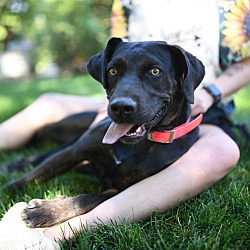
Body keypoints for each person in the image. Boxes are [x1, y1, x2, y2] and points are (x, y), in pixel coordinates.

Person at [0, 0, 249, 249]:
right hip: (120, 101)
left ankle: (64, 231)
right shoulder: (128, 2)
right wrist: (109, 99)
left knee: (221, 152)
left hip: (202, 108)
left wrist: (210, 93)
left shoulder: (230, 4)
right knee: (49, 103)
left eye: (155, 71)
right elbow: (119, 58)